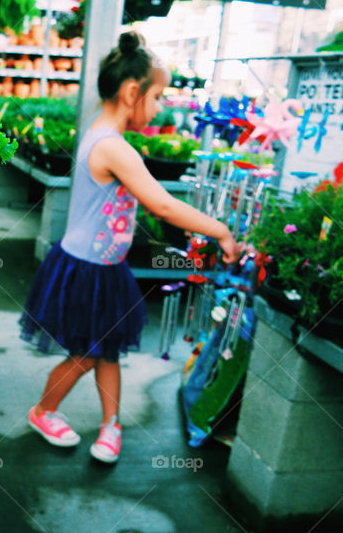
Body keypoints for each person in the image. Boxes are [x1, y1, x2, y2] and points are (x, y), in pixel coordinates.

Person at [19, 32, 240, 465]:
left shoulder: (103, 136)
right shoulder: (111, 146)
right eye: (157, 96)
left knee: (107, 350)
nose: (160, 108)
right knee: (86, 353)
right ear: (132, 91)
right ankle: (42, 411)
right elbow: (161, 203)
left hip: (103, 266)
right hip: (86, 269)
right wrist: (222, 231)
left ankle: (111, 424)